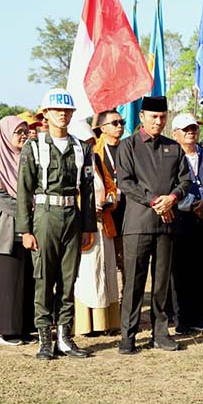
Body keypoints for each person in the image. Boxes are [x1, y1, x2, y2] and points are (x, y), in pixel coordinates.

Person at [16, 88, 96, 360]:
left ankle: (65, 337)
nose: (62, 115)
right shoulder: (34, 145)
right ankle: (44, 339)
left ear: (73, 114)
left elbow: (88, 190)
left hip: (72, 215)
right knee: (43, 278)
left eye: (67, 111)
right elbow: (24, 190)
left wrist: (88, 227)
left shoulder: (82, 147)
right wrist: (25, 229)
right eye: (57, 111)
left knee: (68, 278)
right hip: (44, 215)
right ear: (46, 114)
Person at [115, 96, 191, 354]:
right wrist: (155, 201)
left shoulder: (174, 147)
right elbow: (126, 183)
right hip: (138, 224)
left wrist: (171, 199)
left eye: (162, 117)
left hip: (167, 224)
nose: (158, 121)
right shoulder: (128, 146)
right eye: (153, 117)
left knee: (161, 284)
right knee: (135, 283)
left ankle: (161, 332)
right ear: (142, 117)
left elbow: (185, 181)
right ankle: (128, 335)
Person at [0, 117, 36, 346]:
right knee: (6, 280)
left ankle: (24, 327)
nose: (24, 135)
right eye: (18, 131)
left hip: (27, 230)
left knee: (25, 279)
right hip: (3, 229)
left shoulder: (30, 159)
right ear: (5, 135)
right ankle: (7, 330)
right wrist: (28, 209)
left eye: (26, 131)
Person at [67, 121, 120, 337]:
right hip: (83, 227)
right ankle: (86, 324)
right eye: (84, 142)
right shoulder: (69, 163)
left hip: (103, 224)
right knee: (86, 273)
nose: (88, 146)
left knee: (105, 270)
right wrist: (86, 206)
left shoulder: (96, 160)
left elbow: (111, 187)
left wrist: (109, 200)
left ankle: (107, 322)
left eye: (91, 142)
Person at [170, 112, 203, 335]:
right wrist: (188, 204)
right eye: (186, 129)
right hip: (181, 217)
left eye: (194, 128)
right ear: (175, 133)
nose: (191, 132)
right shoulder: (171, 156)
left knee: (202, 269)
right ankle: (182, 318)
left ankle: (199, 315)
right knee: (181, 270)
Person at [93, 109, 127, 293]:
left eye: (122, 122)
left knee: (126, 262)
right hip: (105, 215)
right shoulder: (94, 152)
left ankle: (123, 304)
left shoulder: (129, 148)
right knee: (108, 260)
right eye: (115, 123)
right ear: (102, 128)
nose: (120, 126)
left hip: (127, 213)